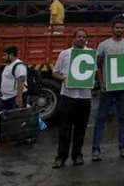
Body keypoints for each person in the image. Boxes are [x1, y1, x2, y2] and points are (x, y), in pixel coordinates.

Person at [91, 18, 124, 161]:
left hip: (122, 88)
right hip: (108, 88)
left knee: (123, 117)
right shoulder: (103, 45)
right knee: (101, 118)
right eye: (117, 28)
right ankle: (96, 149)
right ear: (112, 29)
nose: (119, 30)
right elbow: (99, 65)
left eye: (122, 28)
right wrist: (101, 83)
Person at [52, 29, 93, 168]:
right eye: (79, 36)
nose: (82, 39)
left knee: (80, 129)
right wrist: (65, 78)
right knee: (64, 129)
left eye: (84, 37)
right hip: (67, 97)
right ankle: (61, 157)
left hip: (84, 98)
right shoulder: (65, 54)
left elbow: (95, 74)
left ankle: (77, 156)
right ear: (73, 38)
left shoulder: (90, 54)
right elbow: (55, 72)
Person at [0, 45, 28, 110]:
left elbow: (21, 82)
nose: (3, 57)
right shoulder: (9, 64)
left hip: (14, 98)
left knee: (15, 119)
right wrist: (2, 90)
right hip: (7, 97)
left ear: (11, 55)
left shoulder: (19, 66)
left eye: (5, 55)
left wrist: (19, 97)